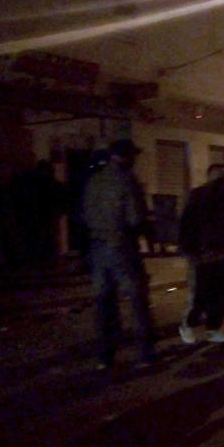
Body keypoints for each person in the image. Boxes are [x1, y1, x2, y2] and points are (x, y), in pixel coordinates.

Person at [82, 139, 156, 369]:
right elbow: (135, 218)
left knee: (104, 302)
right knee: (137, 300)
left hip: (97, 247)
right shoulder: (126, 180)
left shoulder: (94, 180)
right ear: (127, 157)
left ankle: (105, 357)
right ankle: (145, 355)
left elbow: (84, 214)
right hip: (122, 245)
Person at [177, 163, 224, 344]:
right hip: (203, 254)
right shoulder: (200, 196)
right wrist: (190, 252)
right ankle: (187, 325)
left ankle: (213, 328)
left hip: (222, 254)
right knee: (200, 294)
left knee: (219, 294)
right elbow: (186, 226)